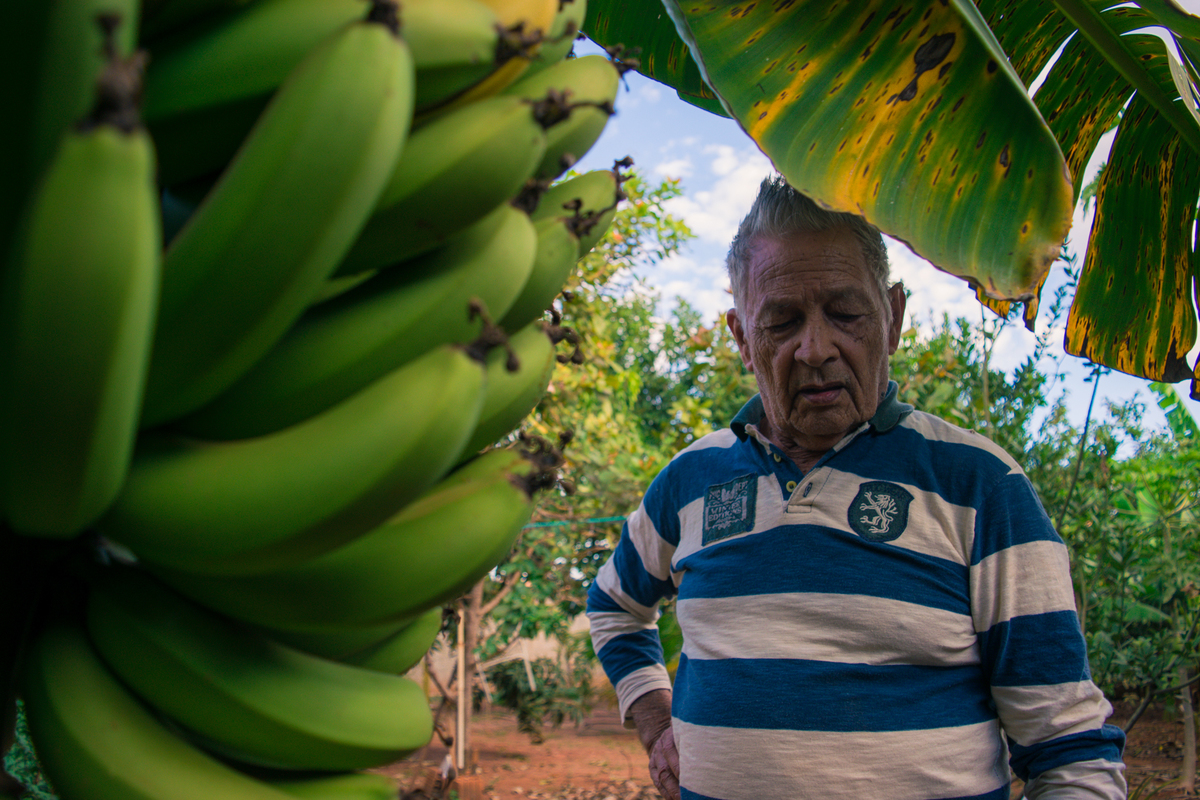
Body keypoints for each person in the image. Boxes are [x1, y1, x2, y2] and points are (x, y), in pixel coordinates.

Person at [585, 175, 1127, 800]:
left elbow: (1069, 749)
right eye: (781, 323)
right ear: (741, 336)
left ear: (892, 317)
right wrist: (655, 722)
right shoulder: (688, 482)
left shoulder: (980, 486)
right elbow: (614, 608)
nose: (815, 349)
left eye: (845, 314)